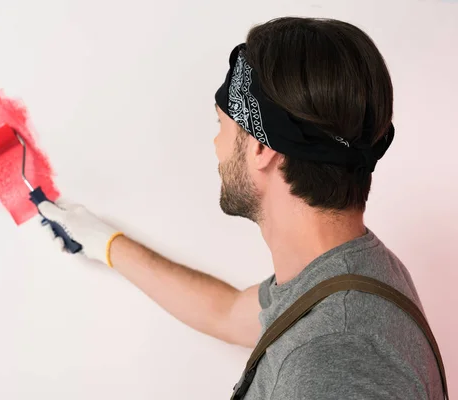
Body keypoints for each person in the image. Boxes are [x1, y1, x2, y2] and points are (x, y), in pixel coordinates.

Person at [38, 17, 445, 400]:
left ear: (261, 147)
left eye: (221, 125)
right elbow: (228, 312)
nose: (216, 147)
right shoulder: (351, 272)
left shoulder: (333, 355)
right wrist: (105, 243)